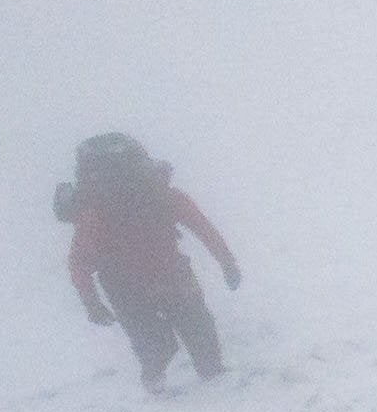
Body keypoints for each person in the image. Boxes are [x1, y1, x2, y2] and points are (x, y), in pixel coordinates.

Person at [58, 133, 242, 388]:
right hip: (168, 275)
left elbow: (79, 264)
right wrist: (227, 263)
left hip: (125, 286)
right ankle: (204, 381)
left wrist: (92, 302)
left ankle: (155, 383)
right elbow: (203, 229)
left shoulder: (93, 215)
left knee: (156, 346)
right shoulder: (164, 195)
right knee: (200, 339)